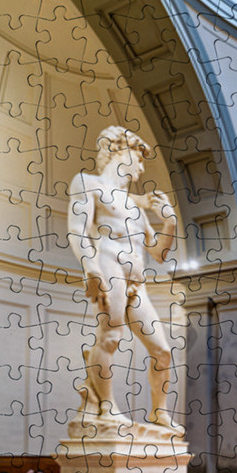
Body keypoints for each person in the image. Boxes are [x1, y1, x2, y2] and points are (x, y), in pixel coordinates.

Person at [67, 126, 182, 430]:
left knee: (162, 351)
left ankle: (159, 412)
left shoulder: (134, 206)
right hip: (109, 266)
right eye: (138, 159)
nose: (141, 168)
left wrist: (170, 223)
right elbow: (77, 230)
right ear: (119, 151)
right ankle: (106, 408)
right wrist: (91, 269)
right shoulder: (87, 183)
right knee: (110, 337)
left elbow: (158, 252)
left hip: (137, 282)